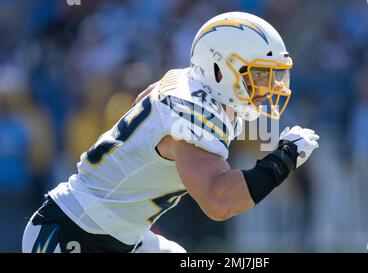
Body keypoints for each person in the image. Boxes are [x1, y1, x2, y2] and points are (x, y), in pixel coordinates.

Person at [22, 11, 319, 253]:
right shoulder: (192, 113)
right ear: (219, 69)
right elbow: (219, 201)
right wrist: (283, 160)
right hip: (75, 232)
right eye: (259, 74)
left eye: (274, 75)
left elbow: (145, 105)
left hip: (124, 235)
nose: (270, 87)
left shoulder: (190, 85)